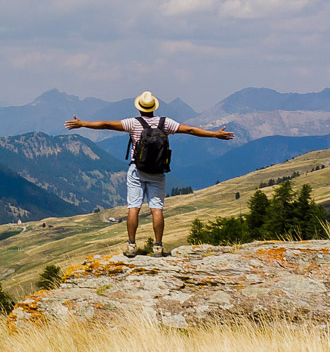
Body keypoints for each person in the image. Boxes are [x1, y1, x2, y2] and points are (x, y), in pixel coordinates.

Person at [66, 91, 234, 257]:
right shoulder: (165, 123)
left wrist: (82, 123)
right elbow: (189, 130)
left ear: (139, 108)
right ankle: (158, 246)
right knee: (157, 209)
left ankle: (131, 245)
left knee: (133, 207)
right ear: (154, 107)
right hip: (158, 171)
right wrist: (215, 134)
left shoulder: (134, 123)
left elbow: (105, 125)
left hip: (137, 170)